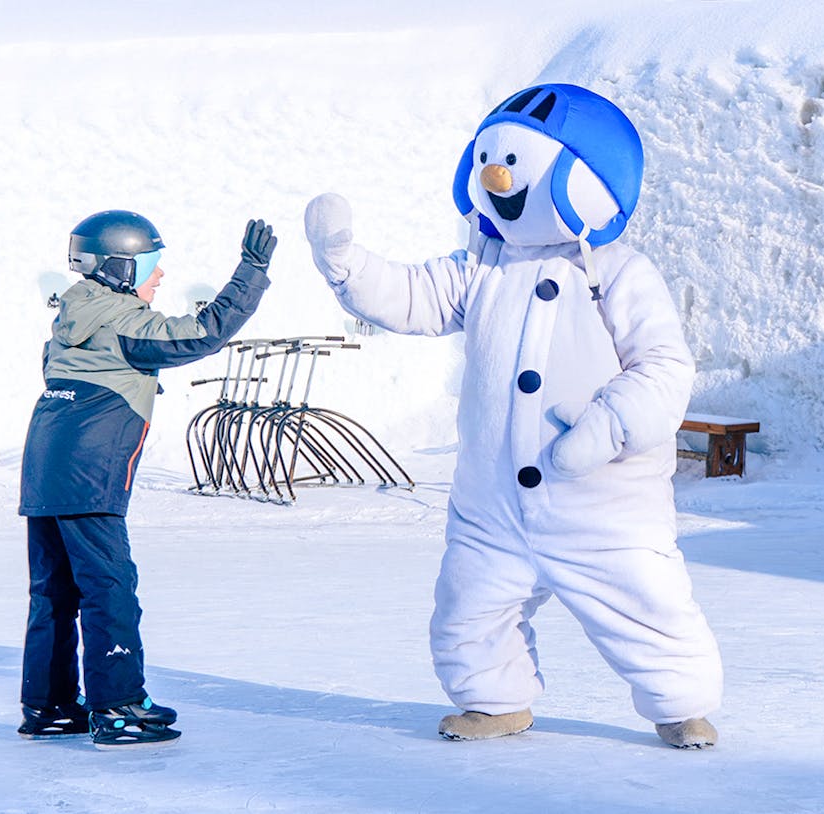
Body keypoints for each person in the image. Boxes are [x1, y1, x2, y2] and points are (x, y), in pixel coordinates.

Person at [304, 84, 722, 749]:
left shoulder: (619, 272)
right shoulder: (482, 264)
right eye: (489, 160)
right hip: (493, 507)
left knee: (649, 610)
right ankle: (494, 699)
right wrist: (346, 264)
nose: (497, 176)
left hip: (600, 505)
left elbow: (664, 369)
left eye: (516, 162)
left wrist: (608, 425)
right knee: (468, 612)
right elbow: (414, 296)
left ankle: (681, 705)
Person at [17, 210, 275, 748]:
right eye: (150, 265)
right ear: (118, 267)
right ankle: (119, 708)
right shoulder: (124, 320)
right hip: (89, 474)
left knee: (55, 592)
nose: (158, 277)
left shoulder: (75, 314)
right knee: (110, 588)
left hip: (43, 466)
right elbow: (202, 333)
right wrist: (250, 271)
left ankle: (51, 706)